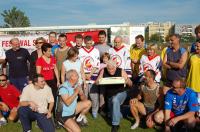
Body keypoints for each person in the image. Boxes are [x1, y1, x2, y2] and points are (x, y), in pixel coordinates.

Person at [96, 60, 133, 132]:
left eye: (112, 68)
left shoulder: (121, 71)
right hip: (110, 95)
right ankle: (127, 110)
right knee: (117, 114)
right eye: (108, 69)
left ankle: (115, 125)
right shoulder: (104, 70)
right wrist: (99, 81)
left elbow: (130, 84)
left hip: (121, 93)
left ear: (115, 67)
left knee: (115, 100)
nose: (110, 71)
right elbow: (97, 82)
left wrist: (128, 81)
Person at [36, 43, 60, 123]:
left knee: (54, 99)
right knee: (44, 101)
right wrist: (45, 84)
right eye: (49, 51)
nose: (51, 52)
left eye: (51, 51)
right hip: (43, 83)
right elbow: (38, 74)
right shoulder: (39, 60)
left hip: (52, 81)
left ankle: (55, 117)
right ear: (43, 52)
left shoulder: (53, 58)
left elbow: (55, 69)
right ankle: (42, 119)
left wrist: (58, 81)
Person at [79, 35, 100, 118]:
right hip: (83, 77)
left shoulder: (96, 51)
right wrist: (84, 75)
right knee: (84, 96)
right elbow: (79, 64)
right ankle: (83, 112)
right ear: (84, 42)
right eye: (87, 43)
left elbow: (97, 64)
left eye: (91, 43)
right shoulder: (80, 51)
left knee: (94, 96)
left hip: (93, 76)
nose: (89, 45)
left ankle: (94, 111)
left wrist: (90, 74)